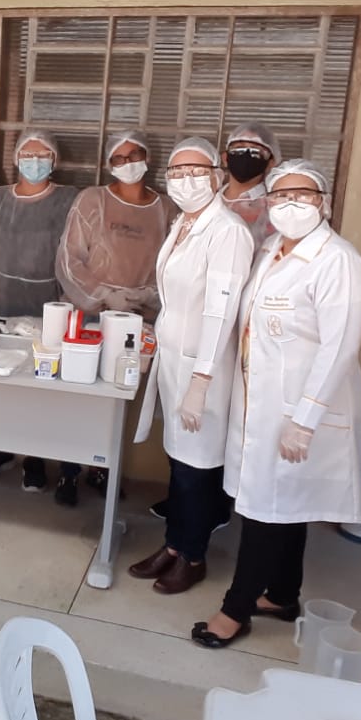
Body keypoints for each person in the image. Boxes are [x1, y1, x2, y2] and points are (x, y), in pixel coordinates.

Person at [192, 159, 361, 648]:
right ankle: (282, 595)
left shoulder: (338, 262)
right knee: (284, 504)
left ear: (324, 203)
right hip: (265, 404)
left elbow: (340, 348)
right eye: (281, 196)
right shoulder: (272, 249)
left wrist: (305, 418)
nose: (291, 205)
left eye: (303, 196)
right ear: (268, 202)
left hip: (301, 409)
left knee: (267, 510)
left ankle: (235, 610)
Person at [127, 138, 255, 594]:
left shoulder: (228, 231)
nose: (186, 180)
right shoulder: (184, 222)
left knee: (198, 467)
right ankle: (174, 545)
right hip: (174, 361)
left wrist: (201, 380)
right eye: (177, 172)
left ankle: (193, 556)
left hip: (205, 367)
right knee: (179, 461)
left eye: (196, 171)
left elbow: (220, 312)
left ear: (217, 176)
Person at [54, 129, 175, 506]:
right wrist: (103, 295)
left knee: (118, 396)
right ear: (109, 164)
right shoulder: (92, 200)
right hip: (88, 313)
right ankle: (69, 471)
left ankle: (103, 469)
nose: (127, 163)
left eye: (134, 155)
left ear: (148, 157)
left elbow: (173, 265)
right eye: (119, 158)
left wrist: (147, 296)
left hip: (138, 319)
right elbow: (70, 259)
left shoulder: (166, 209)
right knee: (79, 394)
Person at [0, 128, 79, 491]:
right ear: (16, 159)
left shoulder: (68, 200)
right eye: (28, 155)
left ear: (55, 160)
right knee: (1, 380)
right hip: (3, 297)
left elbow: (74, 256)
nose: (35, 162)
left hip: (50, 300)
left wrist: (67, 308)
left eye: (43, 155)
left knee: (41, 384)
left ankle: (35, 458)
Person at [220, 122, 281, 245]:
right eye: (239, 148)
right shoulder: (207, 197)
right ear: (225, 158)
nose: (246, 155)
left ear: (271, 163)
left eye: (255, 151)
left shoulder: (274, 208)